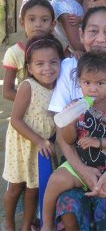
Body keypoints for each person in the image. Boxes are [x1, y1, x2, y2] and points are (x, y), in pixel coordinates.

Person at [48, 6, 106, 230]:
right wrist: (83, 170)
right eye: (93, 31)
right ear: (81, 34)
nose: (100, 39)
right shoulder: (69, 67)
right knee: (70, 204)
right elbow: (61, 129)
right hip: (77, 160)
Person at [3, 35, 64, 231]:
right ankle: (9, 223)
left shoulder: (59, 88)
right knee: (16, 187)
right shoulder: (28, 86)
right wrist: (38, 140)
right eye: (40, 63)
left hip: (42, 149)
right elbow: (15, 120)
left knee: (33, 189)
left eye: (53, 62)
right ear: (29, 68)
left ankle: (26, 226)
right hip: (23, 145)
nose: (47, 68)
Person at [3, 0, 56, 101]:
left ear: (52, 25)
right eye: (32, 19)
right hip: (28, 113)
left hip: (57, 109)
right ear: (22, 23)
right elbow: (7, 91)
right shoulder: (15, 52)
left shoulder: (59, 48)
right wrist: (34, 102)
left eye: (44, 20)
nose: (38, 24)